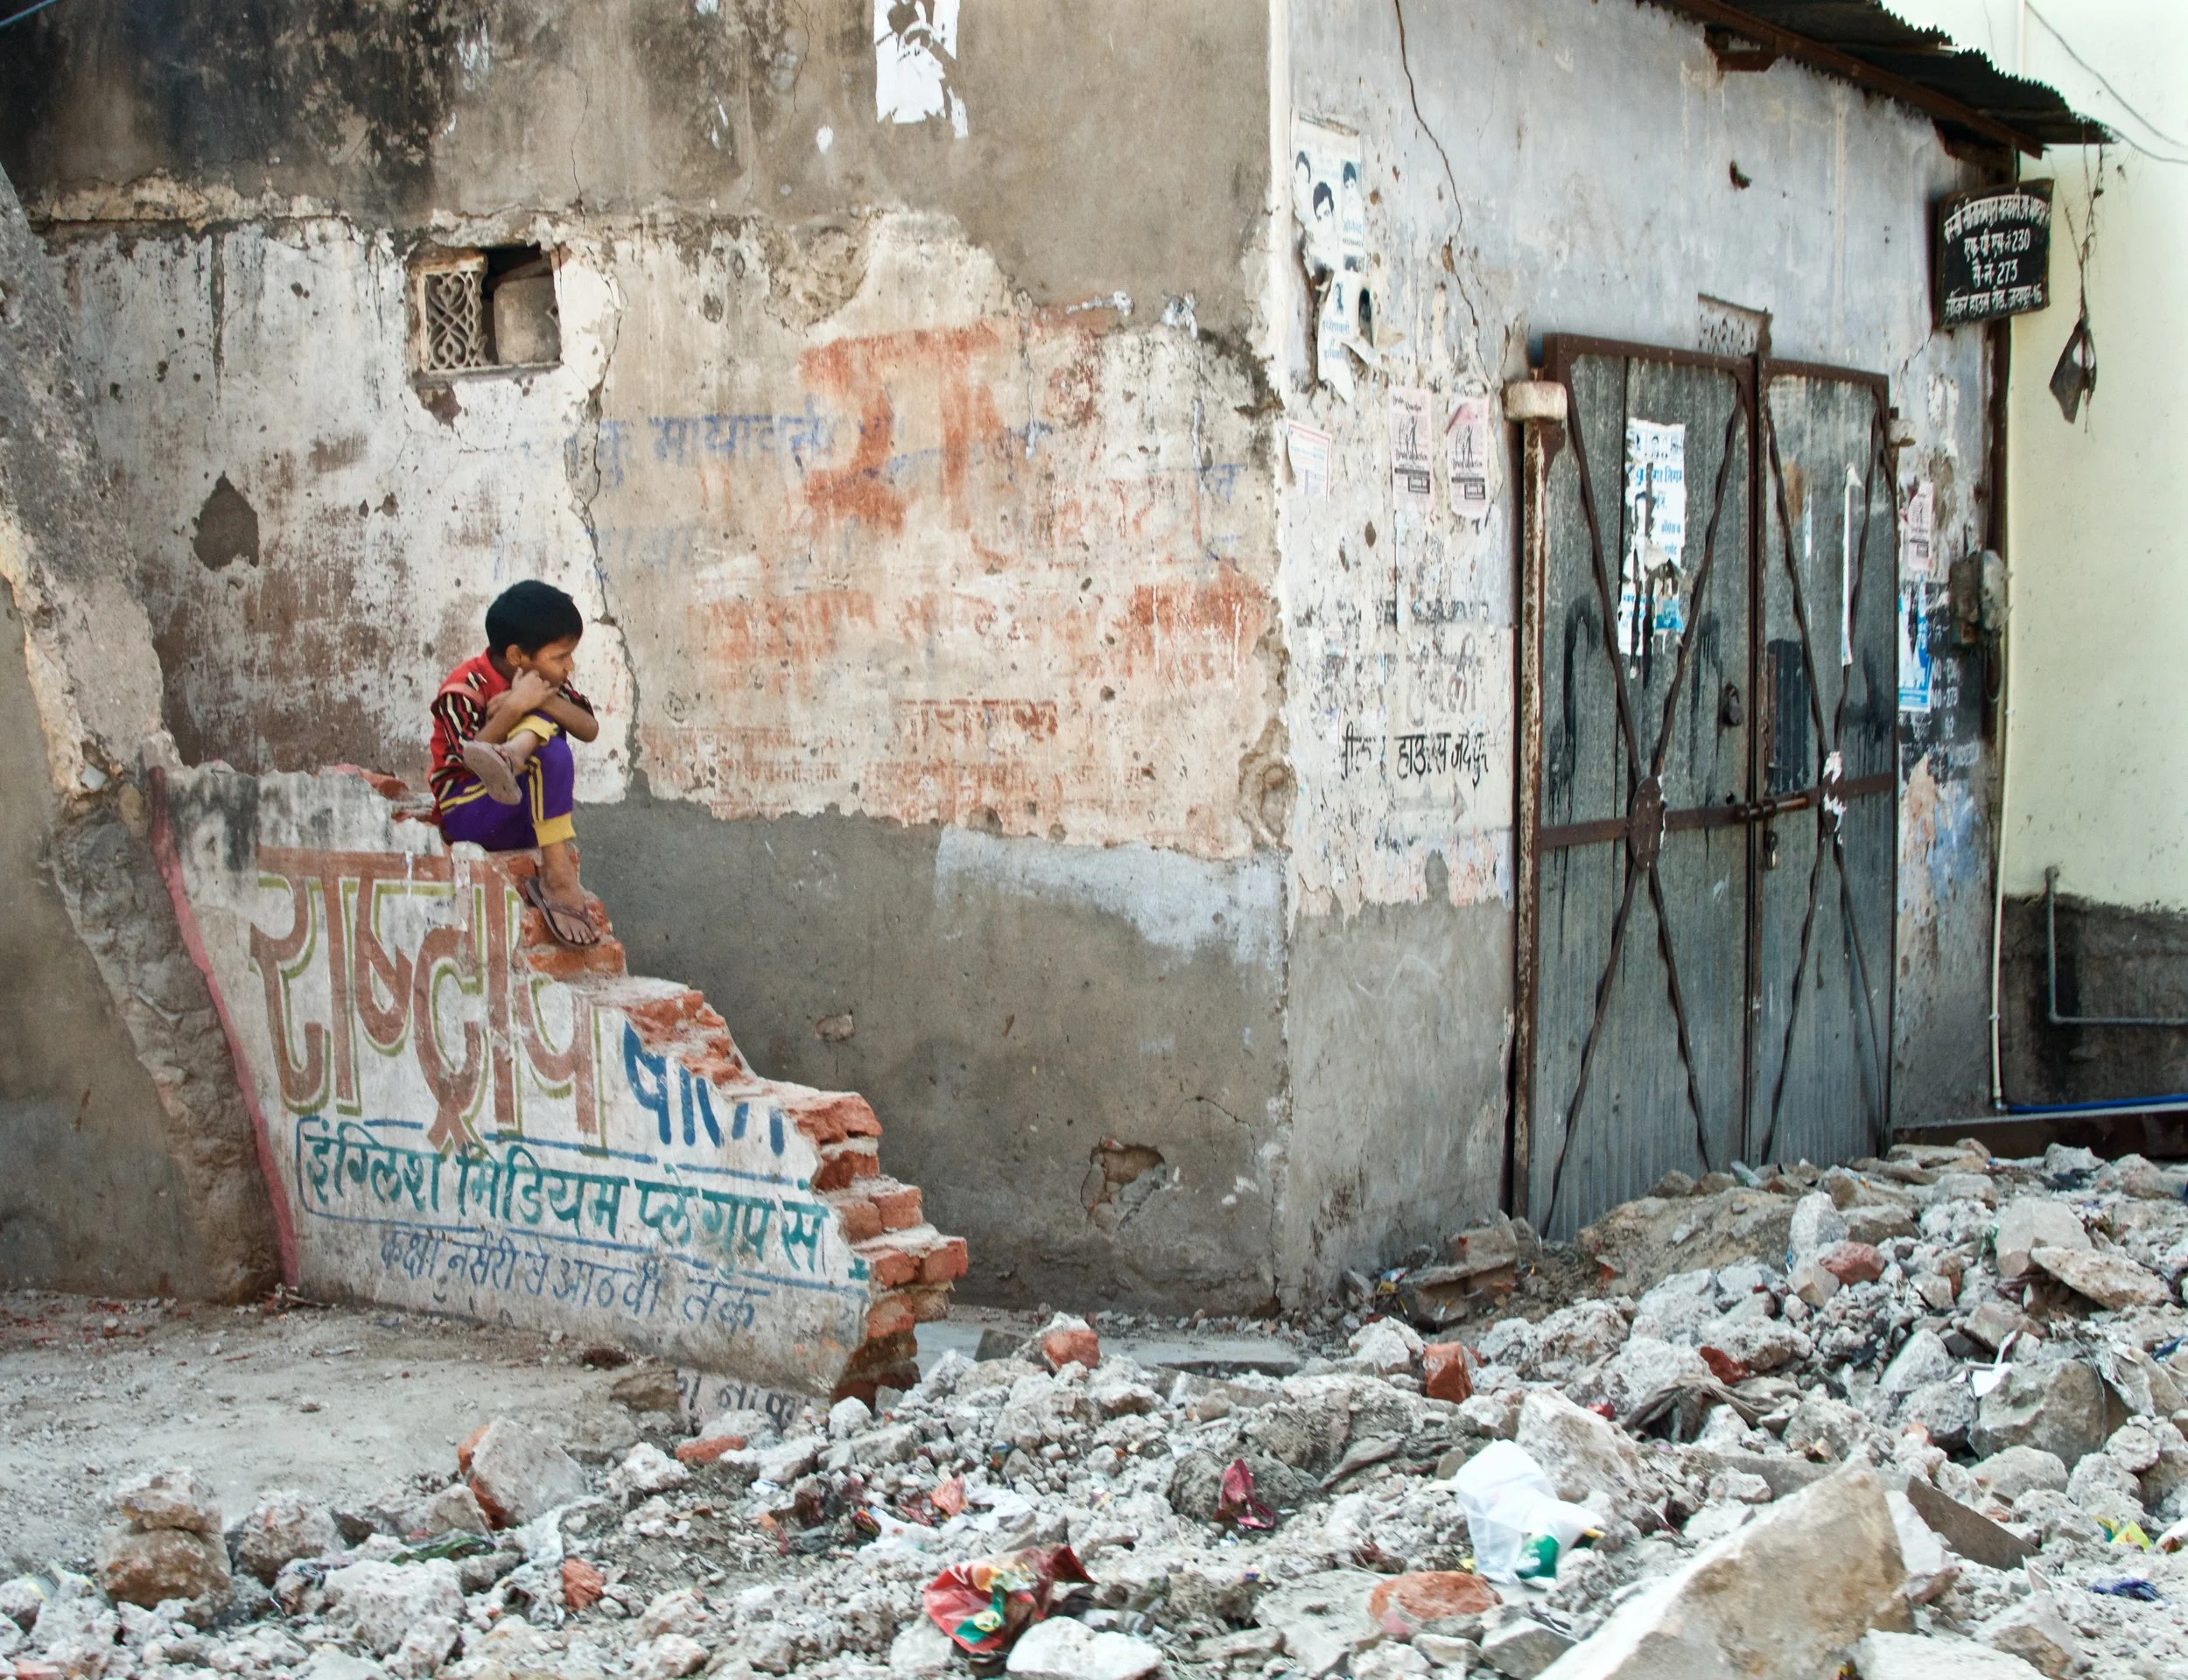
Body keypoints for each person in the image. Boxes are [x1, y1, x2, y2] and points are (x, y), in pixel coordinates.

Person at [428, 579, 601, 948]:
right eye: (560, 656)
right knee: (548, 744)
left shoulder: (545, 682)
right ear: (516, 656)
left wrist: (540, 700)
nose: (569, 666)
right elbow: (467, 760)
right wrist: (513, 708)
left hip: (524, 817)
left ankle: (515, 753)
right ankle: (558, 876)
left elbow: (589, 728)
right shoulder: (464, 688)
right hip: (471, 816)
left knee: (552, 747)